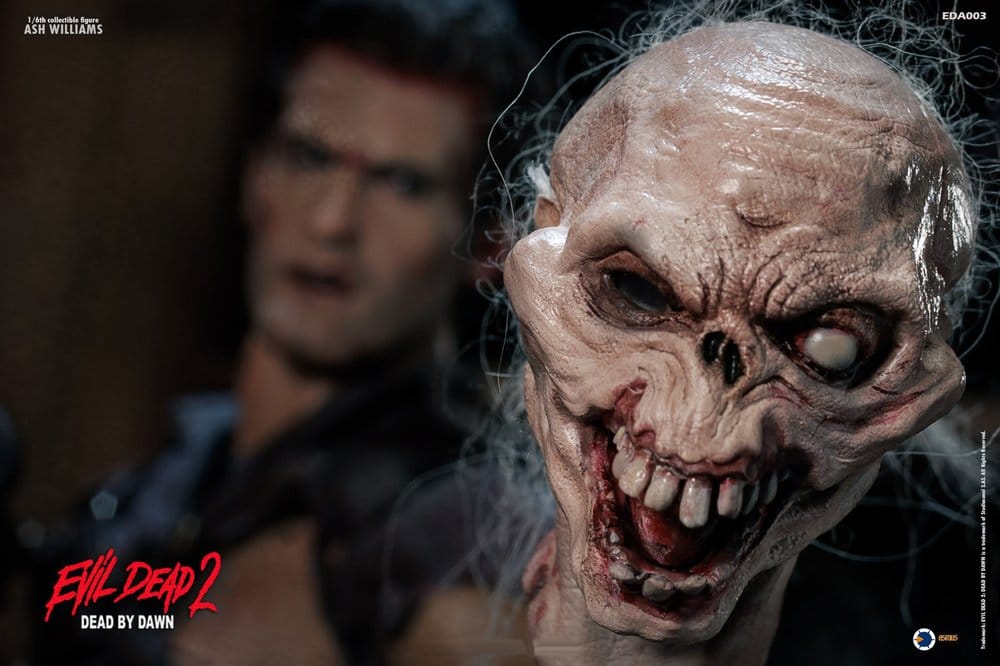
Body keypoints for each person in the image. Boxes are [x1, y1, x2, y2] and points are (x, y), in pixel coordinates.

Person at [29, 1, 535, 663]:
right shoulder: (176, 472)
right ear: (254, 173)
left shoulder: (461, 531)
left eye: (402, 184)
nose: (332, 221)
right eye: (309, 156)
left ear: (490, 244)